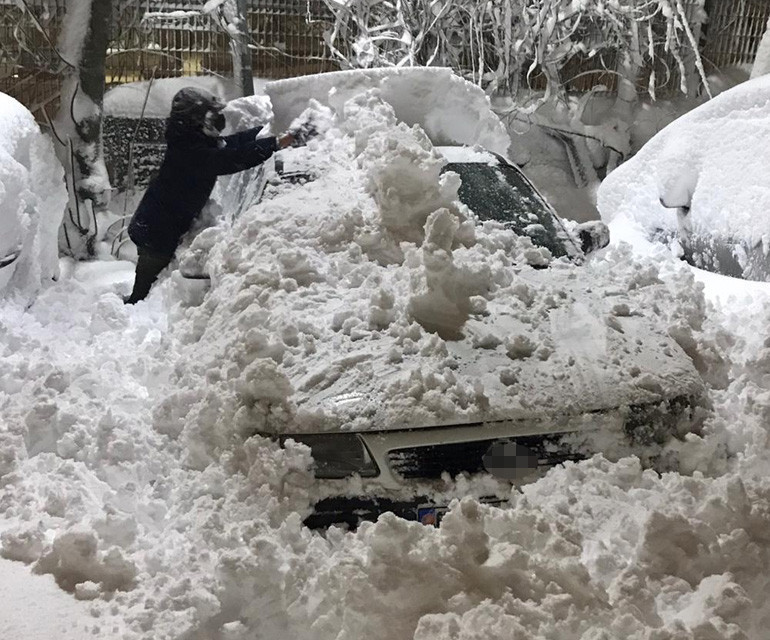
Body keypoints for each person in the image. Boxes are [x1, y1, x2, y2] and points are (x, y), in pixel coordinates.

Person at [124, 86, 298, 304]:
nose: (216, 121)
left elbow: (231, 144)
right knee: (145, 293)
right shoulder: (188, 151)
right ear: (194, 120)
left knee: (156, 285)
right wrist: (275, 144)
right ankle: (131, 316)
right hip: (157, 231)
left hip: (166, 225)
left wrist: (266, 133)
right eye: (209, 116)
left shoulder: (195, 141)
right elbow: (229, 158)